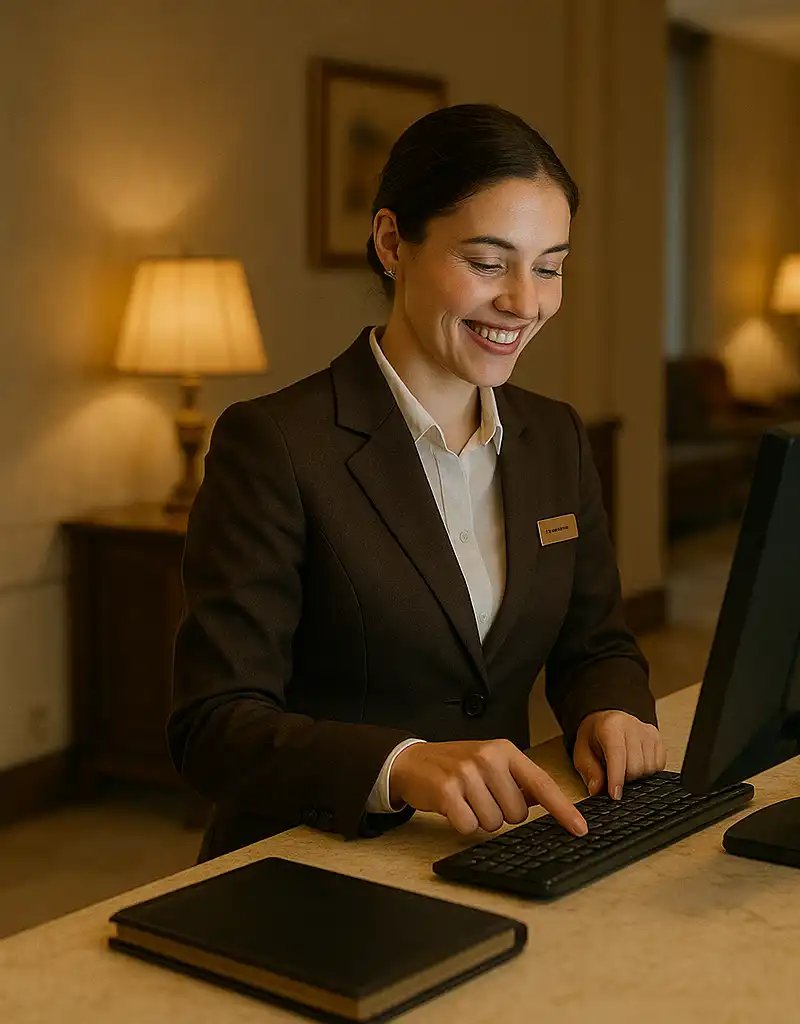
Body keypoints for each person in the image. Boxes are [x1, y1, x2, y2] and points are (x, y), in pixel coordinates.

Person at [168, 103, 666, 863]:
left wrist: (612, 710)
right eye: (488, 262)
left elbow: (594, 643)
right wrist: (398, 766)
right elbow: (213, 725)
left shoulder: (556, 438)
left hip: (497, 854)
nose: (525, 303)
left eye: (550, 267)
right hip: (310, 863)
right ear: (393, 241)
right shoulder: (274, 444)